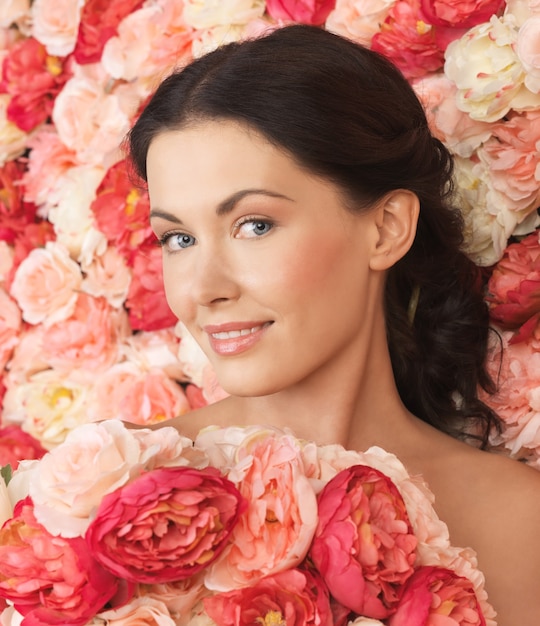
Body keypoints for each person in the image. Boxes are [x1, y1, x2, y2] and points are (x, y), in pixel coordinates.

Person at [128, 24, 540, 625]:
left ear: (386, 228)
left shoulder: (518, 523)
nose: (203, 289)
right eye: (179, 238)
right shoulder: (119, 496)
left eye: (254, 225)